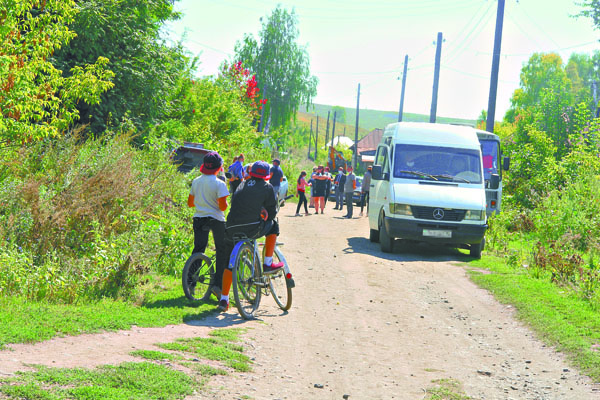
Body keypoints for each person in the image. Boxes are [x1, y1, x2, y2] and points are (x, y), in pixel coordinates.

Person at [217, 161, 283, 312]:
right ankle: (267, 263)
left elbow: (238, 204)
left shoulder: (241, 184)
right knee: (274, 225)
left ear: (251, 172)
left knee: (229, 263)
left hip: (232, 228)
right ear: (266, 175)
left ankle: (224, 299)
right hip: (252, 228)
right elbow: (271, 214)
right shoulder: (267, 187)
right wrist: (264, 212)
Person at [187, 151, 229, 298]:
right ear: (219, 168)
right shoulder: (220, 184)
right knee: (221, 250)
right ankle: (217, 286)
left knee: (198, 249)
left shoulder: (196, 181)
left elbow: (190, 203)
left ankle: (190, 283)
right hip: (216, 219)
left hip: (199, 217)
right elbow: (223, 207)